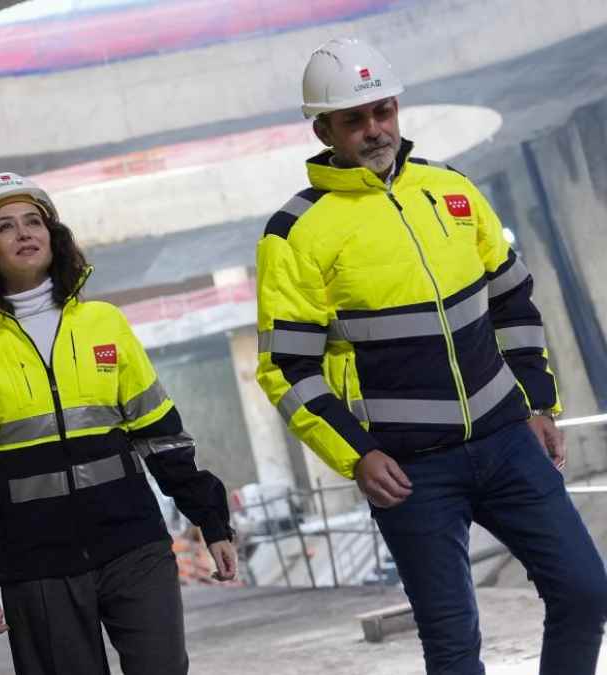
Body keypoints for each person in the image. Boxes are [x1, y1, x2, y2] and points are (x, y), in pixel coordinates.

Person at [256, 37, 607, 674]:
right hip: (410, 469)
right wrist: (357, 455)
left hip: (507, 440)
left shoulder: (451, 189)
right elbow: (287, 367)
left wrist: (539, 404)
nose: (374, 130)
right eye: (355, 119)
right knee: (452, 647)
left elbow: (514, 302)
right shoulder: (296, 231)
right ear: (323, 128)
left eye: (384, 111)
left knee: (587, 592)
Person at [0, 172, 237, 675]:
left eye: (34, 221)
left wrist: (211, 520)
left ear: (54, 235)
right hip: (38, 564)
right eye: (5, 226)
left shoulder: (105, 325)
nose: (25, 232)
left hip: (134, 545)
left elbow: (162, 436)